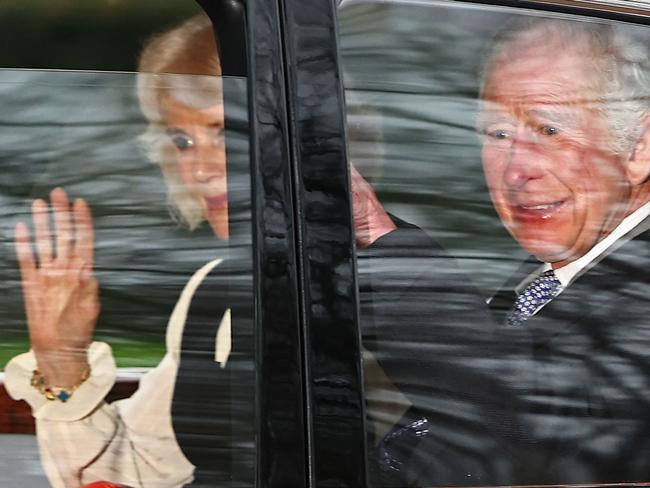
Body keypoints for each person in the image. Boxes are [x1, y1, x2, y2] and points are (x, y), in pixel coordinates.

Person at [4, 13, 395, 488]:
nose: (202, 169)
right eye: (182, 140)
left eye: (224, 131)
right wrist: (62, 361)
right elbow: (142, 468)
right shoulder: (213, 289)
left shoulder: (377, 290)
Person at [366, 18, 650, 487]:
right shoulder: (544, 277)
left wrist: (379, 240)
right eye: (498, 134)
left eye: (550, 129)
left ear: (640, 146)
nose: (516, 169)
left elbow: (540, 430)